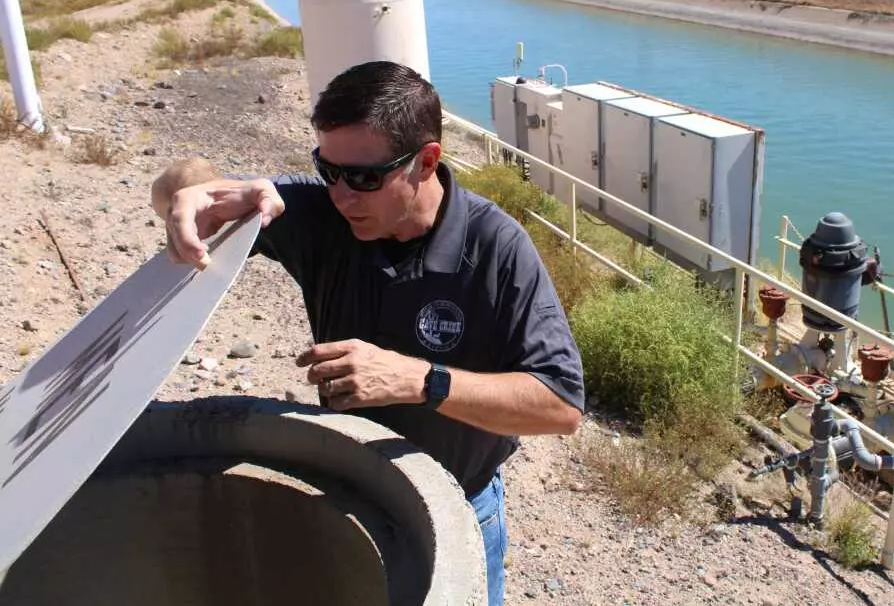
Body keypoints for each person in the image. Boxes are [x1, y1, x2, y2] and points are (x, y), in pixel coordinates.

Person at [151, 60, 585, 605]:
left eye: (362, 177)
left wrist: (422, 380)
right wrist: (189, 198)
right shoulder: (322, 215)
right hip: (346, 496)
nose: (340, 195)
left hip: (460, 504)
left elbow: (560, 406)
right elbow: (182, 190)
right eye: (326, 169)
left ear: (426, 161)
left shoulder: (496, 248)